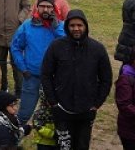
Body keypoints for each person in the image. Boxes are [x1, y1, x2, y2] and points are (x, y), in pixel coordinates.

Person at [40, 10, 113, 150]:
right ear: (67, 26)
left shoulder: (97, 49)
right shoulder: (56, 46)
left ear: (85, 26)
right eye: (72, 25)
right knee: (63, 147)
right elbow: (46, 74)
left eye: (79, 25)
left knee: (82, 146)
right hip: (62, 108)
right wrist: (53, 102)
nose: (76, 28)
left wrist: (97, 103)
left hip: (87, 110)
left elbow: (106, 79)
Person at [10, 0, 65, 125]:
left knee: (56, 114)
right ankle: (16, 135)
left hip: (54, 78)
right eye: (42, 6)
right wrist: (23, 68)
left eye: (49, 7)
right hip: (32, 76)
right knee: (24, 114)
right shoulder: (27, 26)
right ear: (37, 7)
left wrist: (56, 27)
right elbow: (15, 47)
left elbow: (67, 44)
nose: (45, 9)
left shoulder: (60, 26)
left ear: (53, 8)